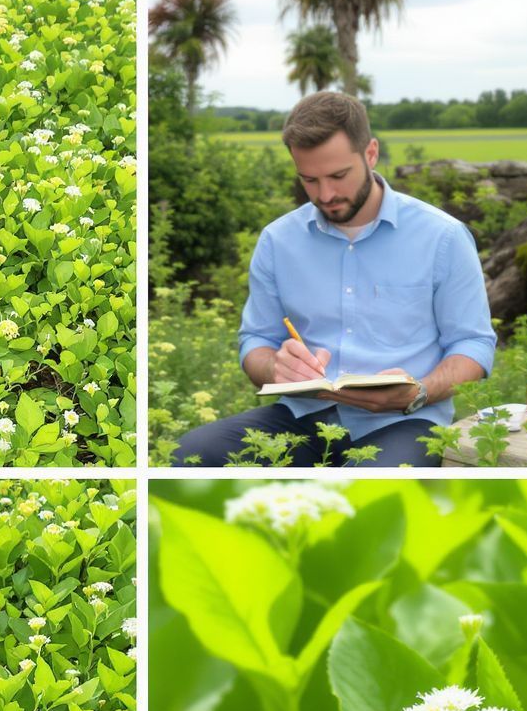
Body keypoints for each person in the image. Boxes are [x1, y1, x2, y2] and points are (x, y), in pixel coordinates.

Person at [173, 91, 497, 467]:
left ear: (371, 153)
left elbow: (472, 345)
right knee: (188, 457)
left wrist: (419, 392)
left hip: (406, 422)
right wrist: (274, 367)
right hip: (300, 418)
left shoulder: (443, 237)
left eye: (338, 176)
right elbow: (257, 341)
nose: (325, 194)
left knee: (364, 497)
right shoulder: (278, 241)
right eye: (309, 180)